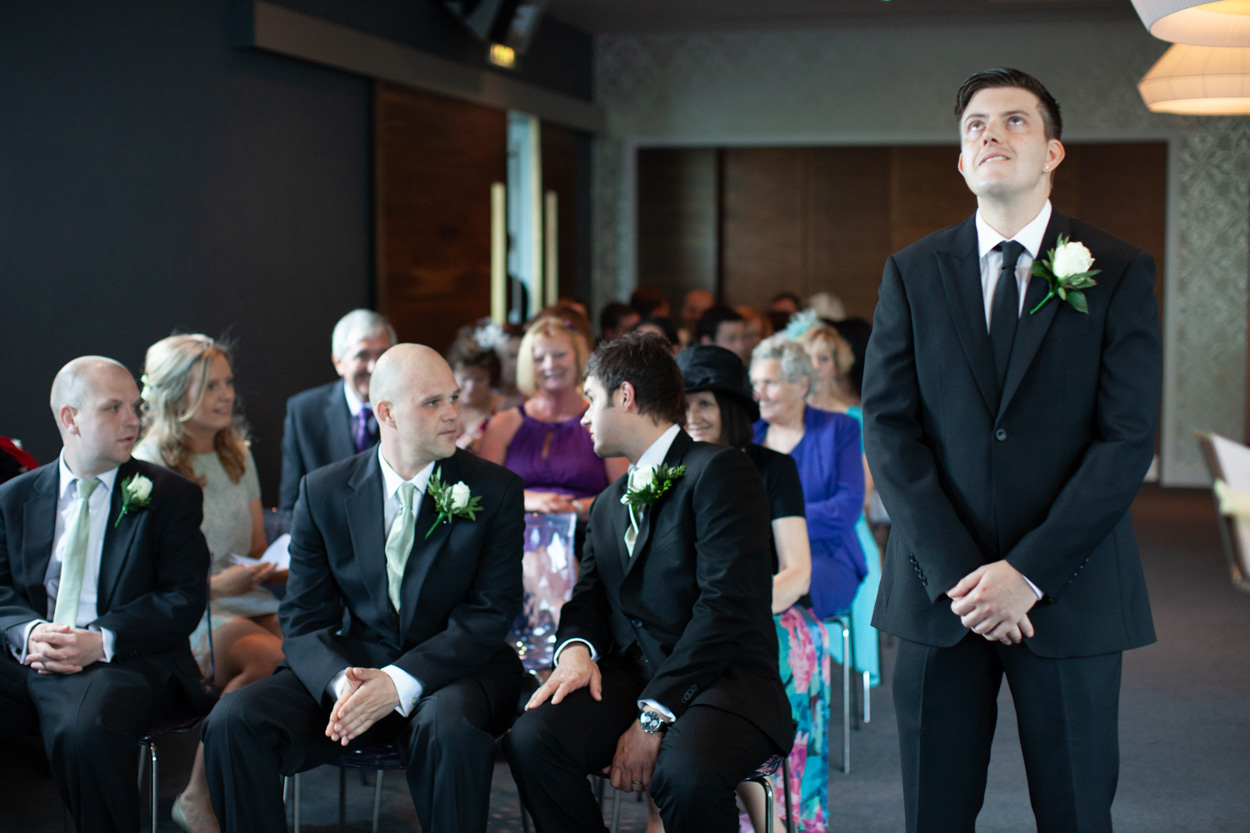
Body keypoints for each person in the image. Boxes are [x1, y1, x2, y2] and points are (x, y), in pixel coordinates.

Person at [862, 68, 1161, 833]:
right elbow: (889, 427)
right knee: (934, 812)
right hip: (941, 593)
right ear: (962, 162)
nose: (990, 133)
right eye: (974, 126)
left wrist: (1028, 573)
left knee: (1075, 810)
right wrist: (967, 574)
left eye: (1014, 121)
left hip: (1071, 590)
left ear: (1052, 150)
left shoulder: (1119, 269)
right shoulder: (911, 271)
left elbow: (1125, 438)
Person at [202, 344, 525, 833]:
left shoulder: (494, 490)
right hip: (351, 671)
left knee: (448, 728)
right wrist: (343, 687)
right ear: (386, 413)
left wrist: (397, 683)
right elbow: (304, 619)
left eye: (454, 399)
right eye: (433, 402)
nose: (454, 415)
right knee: (233, 719)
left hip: (453, 673)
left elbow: (490, 613)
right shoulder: (324, 491)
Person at [506, 333, 793, 833]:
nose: (584, 416)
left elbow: (725, 608)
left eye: (591, 398)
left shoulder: (720, 470)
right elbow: (589, 599)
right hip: (632, 678)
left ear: (625, 395)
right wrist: (574, 649)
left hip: (721, 684)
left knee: (685, 775)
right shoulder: (607, 504)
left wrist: (652, 717)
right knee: (533, 739)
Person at [0, 356, 210, 833]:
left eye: (135, 406)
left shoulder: (169, 496)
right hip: (29, 656)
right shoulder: (14, 498)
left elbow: (183, 598)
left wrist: (101, 639)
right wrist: (29, 632)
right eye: (113, 408)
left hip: (127, 659)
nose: (134, 420)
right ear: (69, 418)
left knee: (84, 725)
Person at [133, 334, 284, 833]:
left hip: (247, 596)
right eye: (211, 385)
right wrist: (219, 585)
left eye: (228, 382)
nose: (227, 395)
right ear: (176, 394)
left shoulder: (236, 452)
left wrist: (275, 566)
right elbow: (146, 577)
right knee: (270, 658)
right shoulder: (149, 463)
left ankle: (251, 789)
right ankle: (197, 794)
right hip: (191, 611)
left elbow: (258, 543)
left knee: (309, 647)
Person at [678, 345, 828, 833]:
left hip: (772, 610)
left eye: (706, 403)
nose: (693, 416)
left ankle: (777, 820)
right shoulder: (673, 472)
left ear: (734, 408)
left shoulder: (772, 467)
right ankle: (757, 819)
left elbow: (797, 571)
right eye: (684, 403)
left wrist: (733, 613)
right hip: (696, 619)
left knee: (771, 657)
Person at [752, 336, 866, 620]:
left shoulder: (840, 428)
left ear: (801, 385)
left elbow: (848, 505)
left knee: (774, 595)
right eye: (755, 384)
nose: (759, 394)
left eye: (770, 383)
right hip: (759, 555)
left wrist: (781, 523)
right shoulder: (747, 436)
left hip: (827, 557)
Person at [480, 316, 628, 525]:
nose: (550, 365)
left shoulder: (603, 421)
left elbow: (625, 494)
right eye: (540, 359)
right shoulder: (503, 423)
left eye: (559, 355)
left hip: (586, 537)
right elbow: (484, 492)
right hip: (517, 542)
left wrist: (574, 508)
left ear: (577, 357)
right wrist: (530, 500)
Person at [278, 309, 396, 510]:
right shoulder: (304, 412)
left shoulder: (408, 410)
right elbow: (290, 506)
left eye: (382, 354)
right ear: (338, 362)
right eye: (362, 355)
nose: (373, 367)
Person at [447, 337, 505, 454]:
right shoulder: (439, 408)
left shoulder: (505, 408)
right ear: (452, 374)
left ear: (490, 378)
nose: (471, 387)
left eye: (479, 379)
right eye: (464, 378)